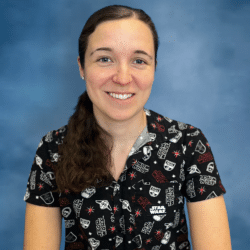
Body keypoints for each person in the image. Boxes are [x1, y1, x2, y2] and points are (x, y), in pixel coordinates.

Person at [23, 5, 232, 250]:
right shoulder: (52, 149)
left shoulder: (188, 143)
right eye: (105, 59)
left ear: (154, 68)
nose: (123, 78)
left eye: (139, 60)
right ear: (81, 67)